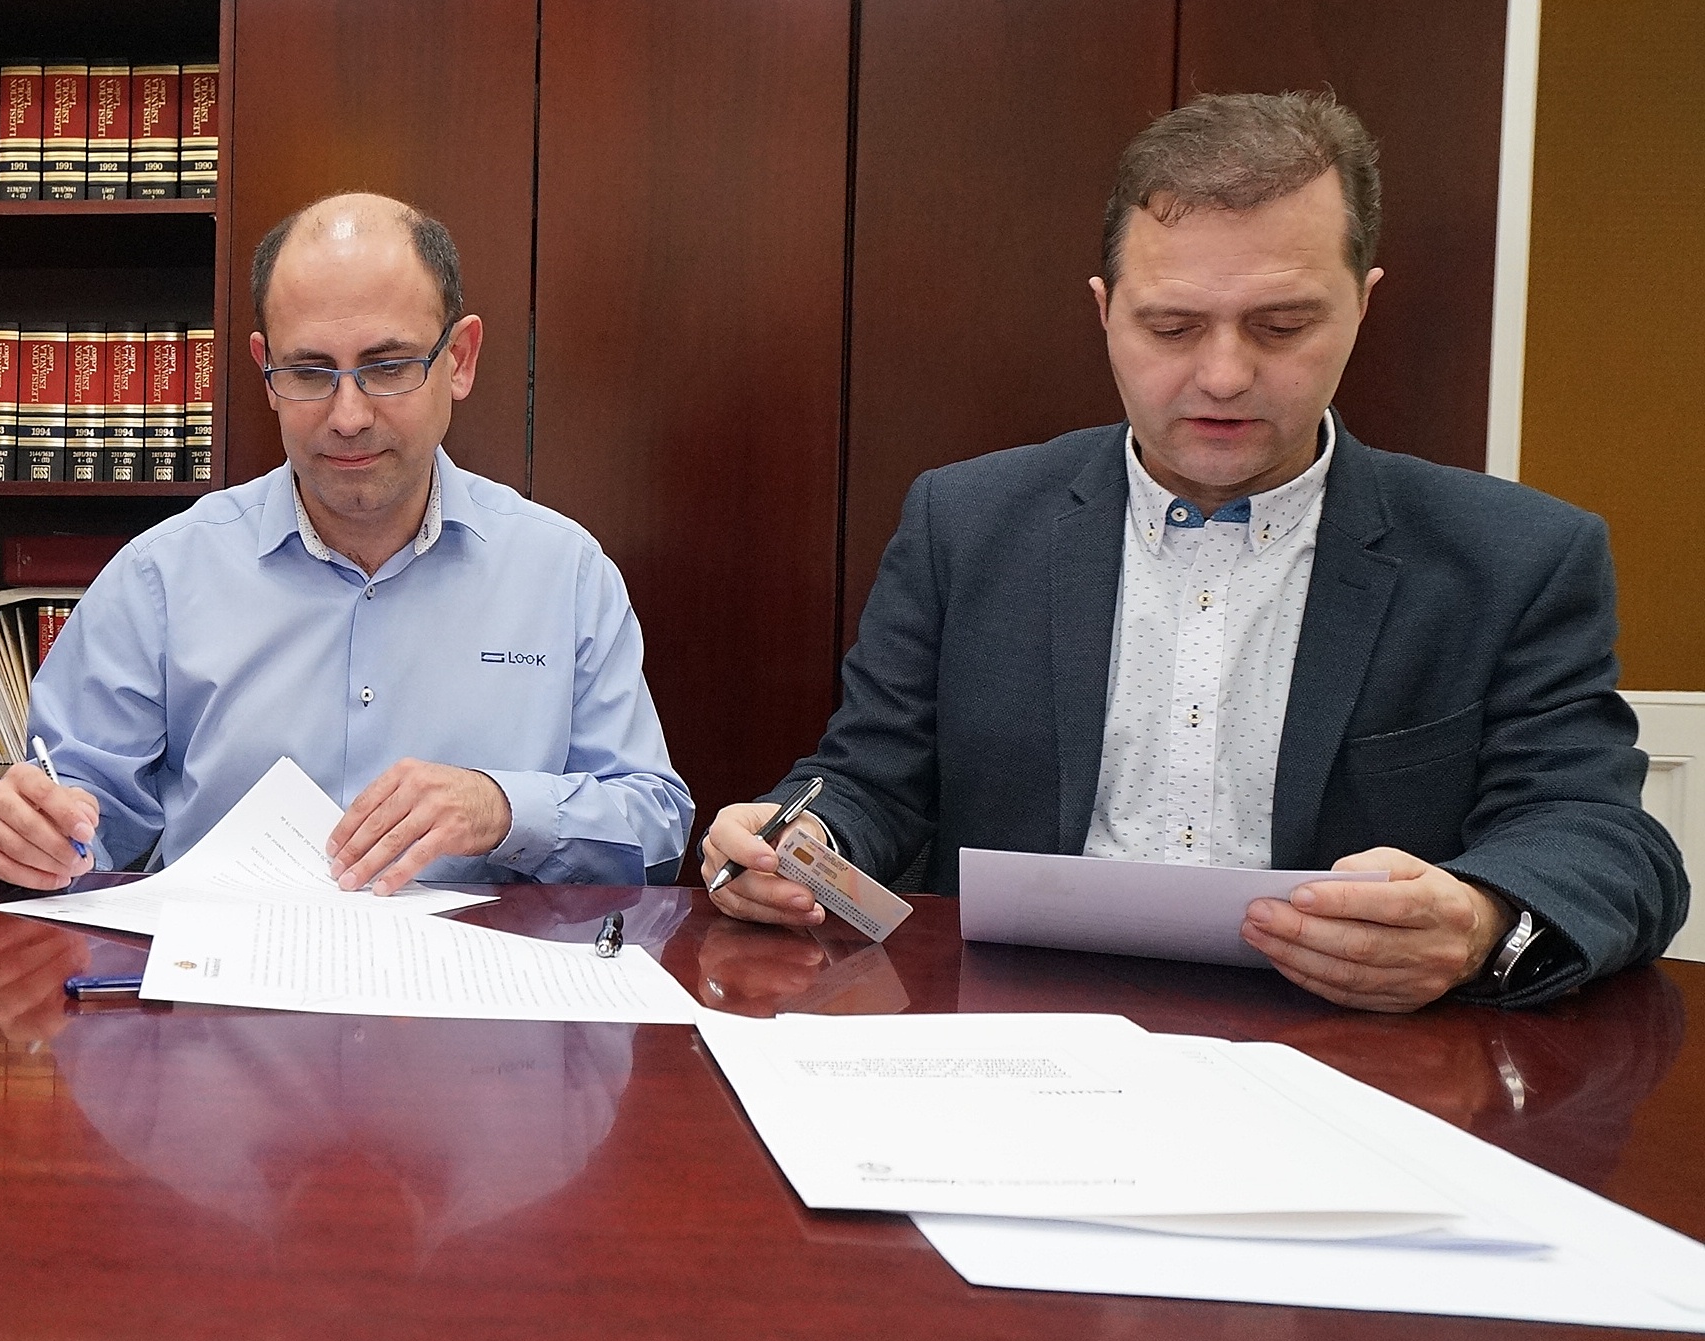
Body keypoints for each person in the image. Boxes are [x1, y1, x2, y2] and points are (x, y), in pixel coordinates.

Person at [703, 92, 1686, 1011]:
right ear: (1104, 310)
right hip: (1015, 1036)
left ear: (1361, 303)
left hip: (1346, 1050)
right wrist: (797, 835)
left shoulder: (1513, 558)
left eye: (1281, 325)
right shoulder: (964, 523)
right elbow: (871, 777)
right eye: (1170, 327)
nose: (1222, 374)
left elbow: (1603, 839)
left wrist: (1477, 920)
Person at [0, 192, 691, 891]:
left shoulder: (563, 574)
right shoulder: (160, 578)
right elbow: (74, 812)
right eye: (308, 372)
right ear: (266, 373)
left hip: (473, 981)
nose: (348, 416)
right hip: (223, 980)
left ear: (459, 360)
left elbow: (656, 827)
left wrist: (503, 808)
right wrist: (28, 838)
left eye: (388, 367)